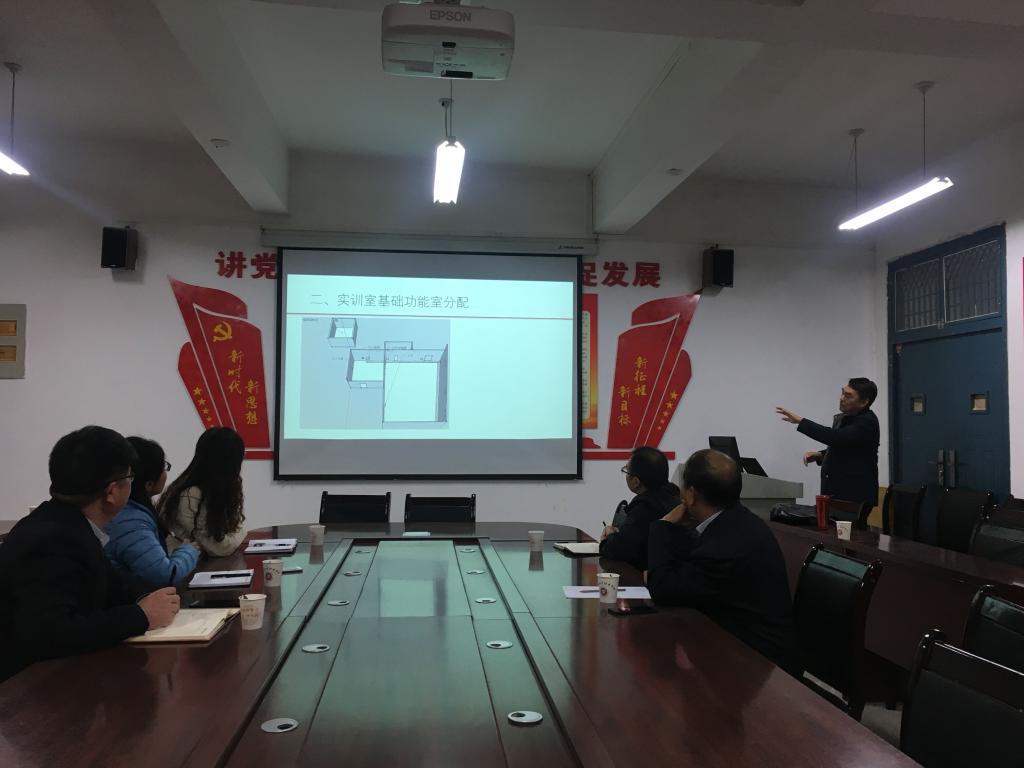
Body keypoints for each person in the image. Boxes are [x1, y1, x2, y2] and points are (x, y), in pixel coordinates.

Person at [0, 426, 180, 681]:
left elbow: (113, 592)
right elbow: (50, 633)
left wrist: (149, 601)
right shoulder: (53, 540)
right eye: (130, 477)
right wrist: (141, 616)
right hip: (29, 689)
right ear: (112, 492)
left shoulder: (68, 524)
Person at [646, 449, 797, 671]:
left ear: (690, 495)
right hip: (737, 644)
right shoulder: (735, 522)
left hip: (755, 661)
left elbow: (663, 590)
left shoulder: (726, 543)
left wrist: (663, 525)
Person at [105, 436, 201, 593]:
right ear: (148, 484)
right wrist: (188, 550)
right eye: (163, 467)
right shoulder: (130, 521)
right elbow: (165, 576)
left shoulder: (130, 513)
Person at [775, 377, 880, 507]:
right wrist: (820, 455)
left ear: (864, 402)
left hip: (854, 495)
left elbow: (836, 437)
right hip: (838, 492)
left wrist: (801, 421)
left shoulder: (867, 422)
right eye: (842, 393)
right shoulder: (847, 418)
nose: (841, 398)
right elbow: (848, 447)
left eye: (848, 396)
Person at [158, 427, 248, 557]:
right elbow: (218, 548)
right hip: (184, 565)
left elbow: (230, 529)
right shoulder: (191, 494)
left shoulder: (217, 489)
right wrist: (243, 532)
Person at [599, 446, 680, 570]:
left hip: (648, 576)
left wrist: (609, 536)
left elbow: (616, 550)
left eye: (626, 471)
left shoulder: (645, 508)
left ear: (636, 482)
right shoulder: (675, 497)